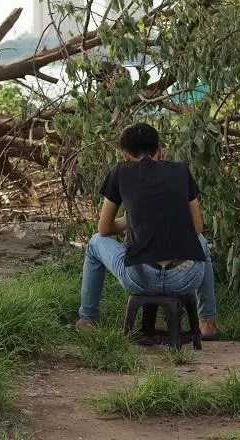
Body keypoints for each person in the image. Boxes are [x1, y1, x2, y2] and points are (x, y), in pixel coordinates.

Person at [76, 122, 219, 339]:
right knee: (202, 242)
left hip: (141, 277)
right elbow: (197, 228)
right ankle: (207, 324)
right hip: (186, 277)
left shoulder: (120, 172)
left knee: (95, 242)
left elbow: (104, 229)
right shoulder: (180, 170)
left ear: (125, 156)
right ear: (160, 152)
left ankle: (87, 320)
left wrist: (129, 219)